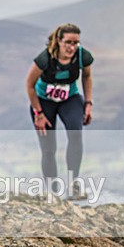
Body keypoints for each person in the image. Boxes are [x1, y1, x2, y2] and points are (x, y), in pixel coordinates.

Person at [25, 23, 94, 200]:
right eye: (68, 42)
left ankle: (73, 185)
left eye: (76, 42)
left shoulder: (82, 56)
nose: (72, 47)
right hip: (43, 102)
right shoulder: (45, 58)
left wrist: (88, 103)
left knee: (76, 134)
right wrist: (38, 114)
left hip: (69, 99)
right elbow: (29, 85)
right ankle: (52, 192)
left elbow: (86, 76)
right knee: (49, 149)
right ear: (59, 40)